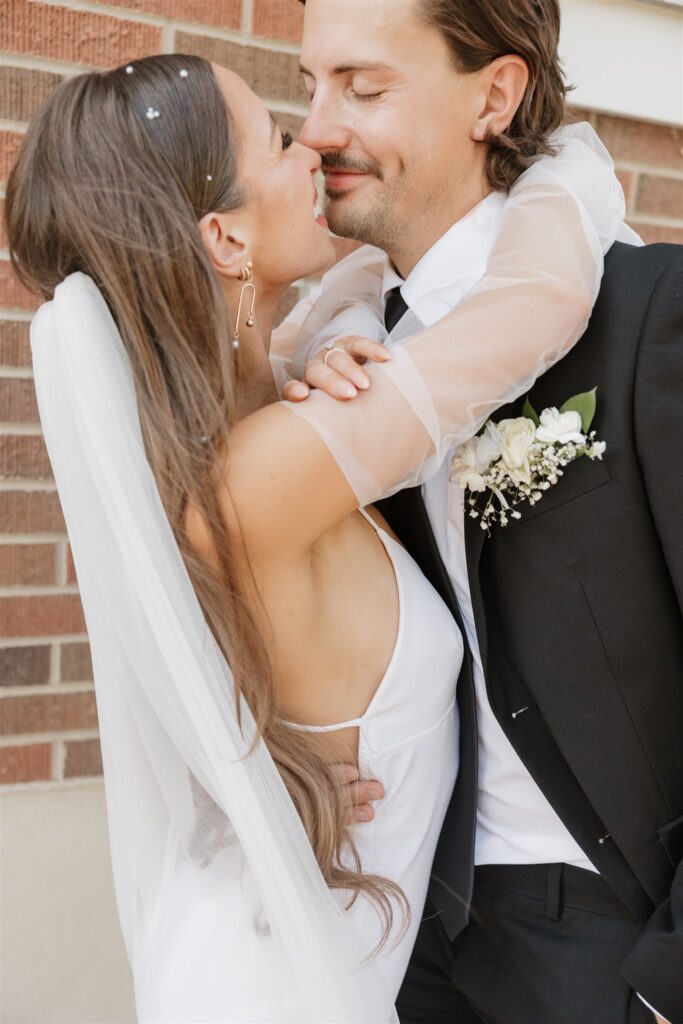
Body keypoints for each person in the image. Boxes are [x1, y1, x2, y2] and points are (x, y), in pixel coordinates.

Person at [6, 52, 619, 1023]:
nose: (315, 149)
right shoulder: (265, 471)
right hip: (264, 985)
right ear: (222, 235)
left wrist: (328, 336)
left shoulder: (251, 420)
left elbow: (327, 310)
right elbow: (536, 304)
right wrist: (551, 167)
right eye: (280, 139)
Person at [282, 2, 683, 1022]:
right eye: (309, 85)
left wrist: (665, 985)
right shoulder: (335, 361)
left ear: (493, 97)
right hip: (410, 928)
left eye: (363, 88)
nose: (318, 128)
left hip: (606, 940)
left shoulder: (645, 313)